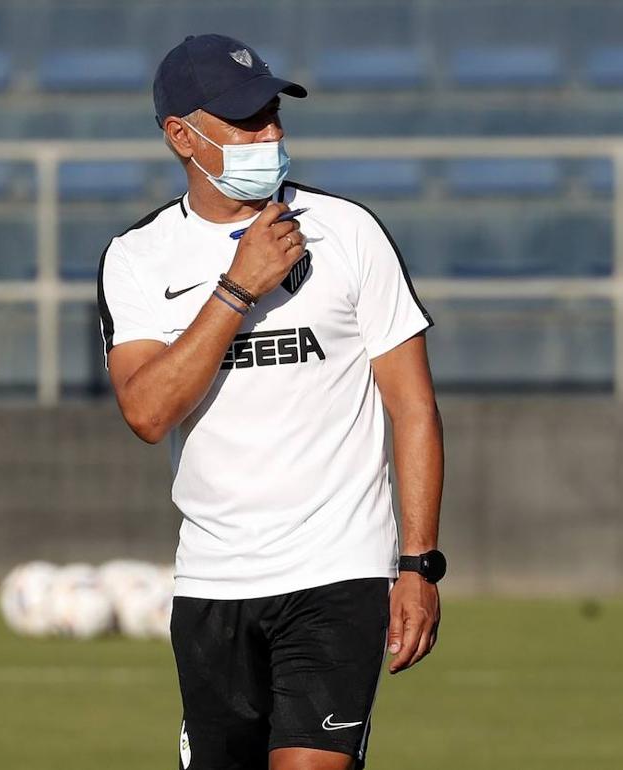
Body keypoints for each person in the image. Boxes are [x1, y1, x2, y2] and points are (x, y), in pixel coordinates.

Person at [97, 33, 446, 770]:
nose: (272, 134)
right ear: (182, 136)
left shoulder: (348, 233)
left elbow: (412, 406)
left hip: (338, 571)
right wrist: (237, 288)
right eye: (247, 120)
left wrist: (418, 565)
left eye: (274, 114)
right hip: (212, 582)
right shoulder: (136, 258)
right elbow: (147, 412)